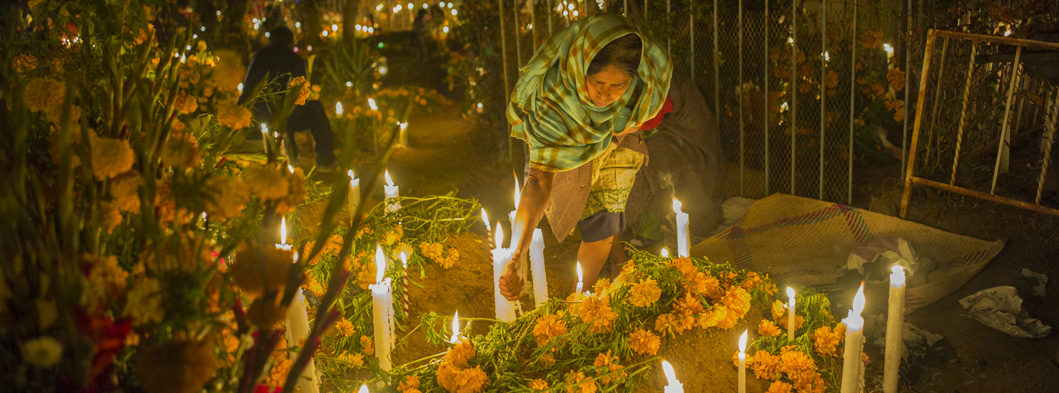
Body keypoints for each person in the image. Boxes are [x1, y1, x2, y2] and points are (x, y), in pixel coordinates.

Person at [499, 13, 673, 300]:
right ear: (581, 70)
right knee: (586, 209)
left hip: (620, 145)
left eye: (619, 86)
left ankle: (578, 301)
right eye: (597, 82)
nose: (605, 96)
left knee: (604, 222)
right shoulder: (553, 103)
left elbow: (649, 111)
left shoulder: (646, 80)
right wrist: (517, 254)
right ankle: (618, 261)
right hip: (567, 142)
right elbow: (538, 182)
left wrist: (619, 128)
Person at [239, 26, 337, 168]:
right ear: (290, 43)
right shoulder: (294, 59)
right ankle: (326, 159)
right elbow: (301, 98)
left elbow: (247, 88)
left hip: (253, 114)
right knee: (315, 108)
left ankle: (291, 154)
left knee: (284, 109)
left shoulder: (257, 56)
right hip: (278, 116)